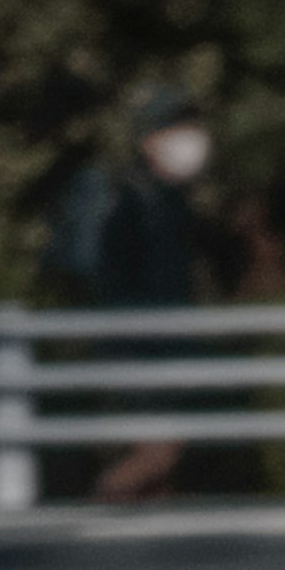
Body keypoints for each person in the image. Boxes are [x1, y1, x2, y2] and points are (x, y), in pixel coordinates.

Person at [47, 85, 221, 503]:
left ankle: (149, 552)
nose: (190, 138)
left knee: (159, 471)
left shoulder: (172, 200)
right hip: (138, 348)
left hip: (162, 347)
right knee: (160, 453)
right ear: (148, 142)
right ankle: (88, 518)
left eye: (191, 127)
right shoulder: (131, 200)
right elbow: (116, 279)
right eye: (175, 129)